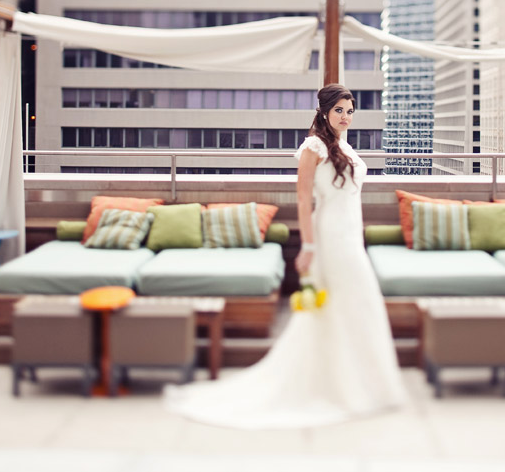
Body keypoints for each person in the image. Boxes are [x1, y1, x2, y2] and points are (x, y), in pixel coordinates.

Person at [164, 83, 407, 429]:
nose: (345, 117)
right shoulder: (313, 146)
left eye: (350, 111)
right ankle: (336, 386)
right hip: (327, 237)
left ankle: (359, 384)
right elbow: (304, 200)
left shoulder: (345, 146)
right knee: (336, 304)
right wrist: (308, 246)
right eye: (339, 110)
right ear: (324, 111)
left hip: (351, 234)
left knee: (356, 304)